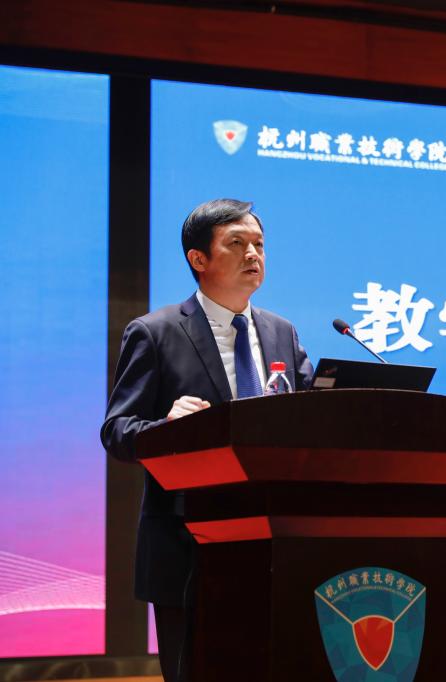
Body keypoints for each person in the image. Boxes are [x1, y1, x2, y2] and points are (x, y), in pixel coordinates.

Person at [101, 198, 314, 681]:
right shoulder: (155, 332)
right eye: (236, 243)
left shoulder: (282, 332)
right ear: (198, 258)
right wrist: (166, 426)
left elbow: (308, 416)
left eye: (259, 244)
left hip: (276, 540)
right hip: (188, 544)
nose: (253, 254)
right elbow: (117, 432)